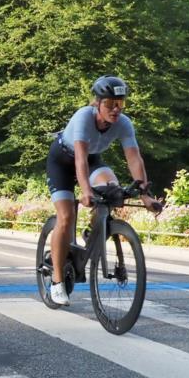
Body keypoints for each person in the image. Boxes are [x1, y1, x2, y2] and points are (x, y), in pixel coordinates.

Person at [46, 76, 162, 306]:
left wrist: (145, 194)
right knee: (66, 217)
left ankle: (94, 230)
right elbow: (80, 159)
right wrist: (86, 190)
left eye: (121, 103)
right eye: (110, 104)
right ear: (97, 103)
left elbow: (133, 157)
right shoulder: (83, 117)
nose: (116, 109)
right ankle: (57, 282)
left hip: (91, 161)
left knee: (113, 189)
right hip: (63, 162)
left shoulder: (124, 123)